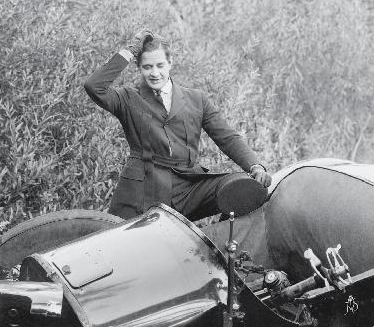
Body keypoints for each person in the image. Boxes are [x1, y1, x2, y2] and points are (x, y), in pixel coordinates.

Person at [84, 30, 272, 220]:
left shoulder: (197, 99)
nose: (155, 73)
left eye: (160, 65)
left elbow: (227, 137)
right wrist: (129, 52)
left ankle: (222, 239)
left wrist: (255, 166)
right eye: (147, 67)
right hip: (142, 193)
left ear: (170, 62)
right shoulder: (127, 98)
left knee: (242, 187)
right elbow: (94, 87)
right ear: (138, 67)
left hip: (189, 190)